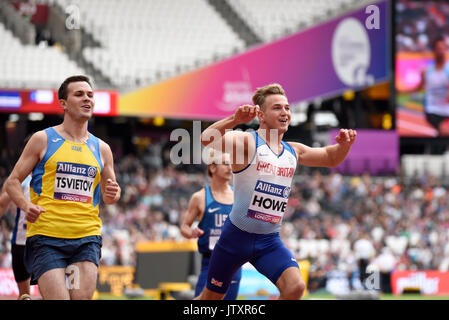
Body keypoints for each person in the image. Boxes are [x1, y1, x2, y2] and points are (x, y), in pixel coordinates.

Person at [197, 83, 356, 300]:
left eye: (287, 108)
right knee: (210, 299)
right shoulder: (247, 142)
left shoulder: (293, 150)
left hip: (268, 241)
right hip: (235, 238)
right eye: (277, 108)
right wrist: (234, 120)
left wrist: (344, 146)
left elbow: (330, 157)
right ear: (261, 115)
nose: (285, 113)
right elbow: (207, 139)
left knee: (295, 288)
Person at [4, 75, 121, 300]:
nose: (87, 99)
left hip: (86, 238)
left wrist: (114, 194)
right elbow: (12, 182)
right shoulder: (42, 139)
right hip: (47, 239)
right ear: (64, 104)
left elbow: (110, 196)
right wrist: (25, 205)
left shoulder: (102, 148)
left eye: (90, 95)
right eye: (79, 94)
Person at [180, 149, 241, 299]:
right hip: (210, 262)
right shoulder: (200, 197)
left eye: (231, 164)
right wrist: (191, 232)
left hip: (234, 263)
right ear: (212, 168)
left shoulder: (239, 195)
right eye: (225, 164)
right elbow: (184, 227)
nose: (230, 168)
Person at [406, 36, 449, 135]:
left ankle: (434, 149)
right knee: (445, 131)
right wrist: (403, 91)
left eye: (443, 49)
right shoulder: (427, 71)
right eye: (439, 49)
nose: (441, 51)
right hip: (432, 109)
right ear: (434, 50)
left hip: (447, 110)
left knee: (442, 136)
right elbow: (419, 87)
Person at [0, 176, 32, 300]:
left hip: (22, 242)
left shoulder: (18, 180)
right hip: (41, 242)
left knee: (25, 296)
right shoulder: (19, 180)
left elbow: (2, 204)